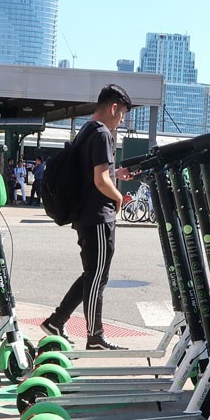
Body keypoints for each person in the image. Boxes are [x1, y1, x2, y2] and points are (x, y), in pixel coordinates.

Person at [41, 84, 133, 350]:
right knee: (97, 277)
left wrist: (117, 174)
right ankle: (94, 336)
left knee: (91, 275)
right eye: (122, 114)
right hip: (98, 217)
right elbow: (100, 179)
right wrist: (118, 197)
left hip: (85, 215)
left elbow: (94, 175)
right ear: (113, 107)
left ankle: (56, 321)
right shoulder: (103, 134)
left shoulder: (86, 130)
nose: (122, 120)